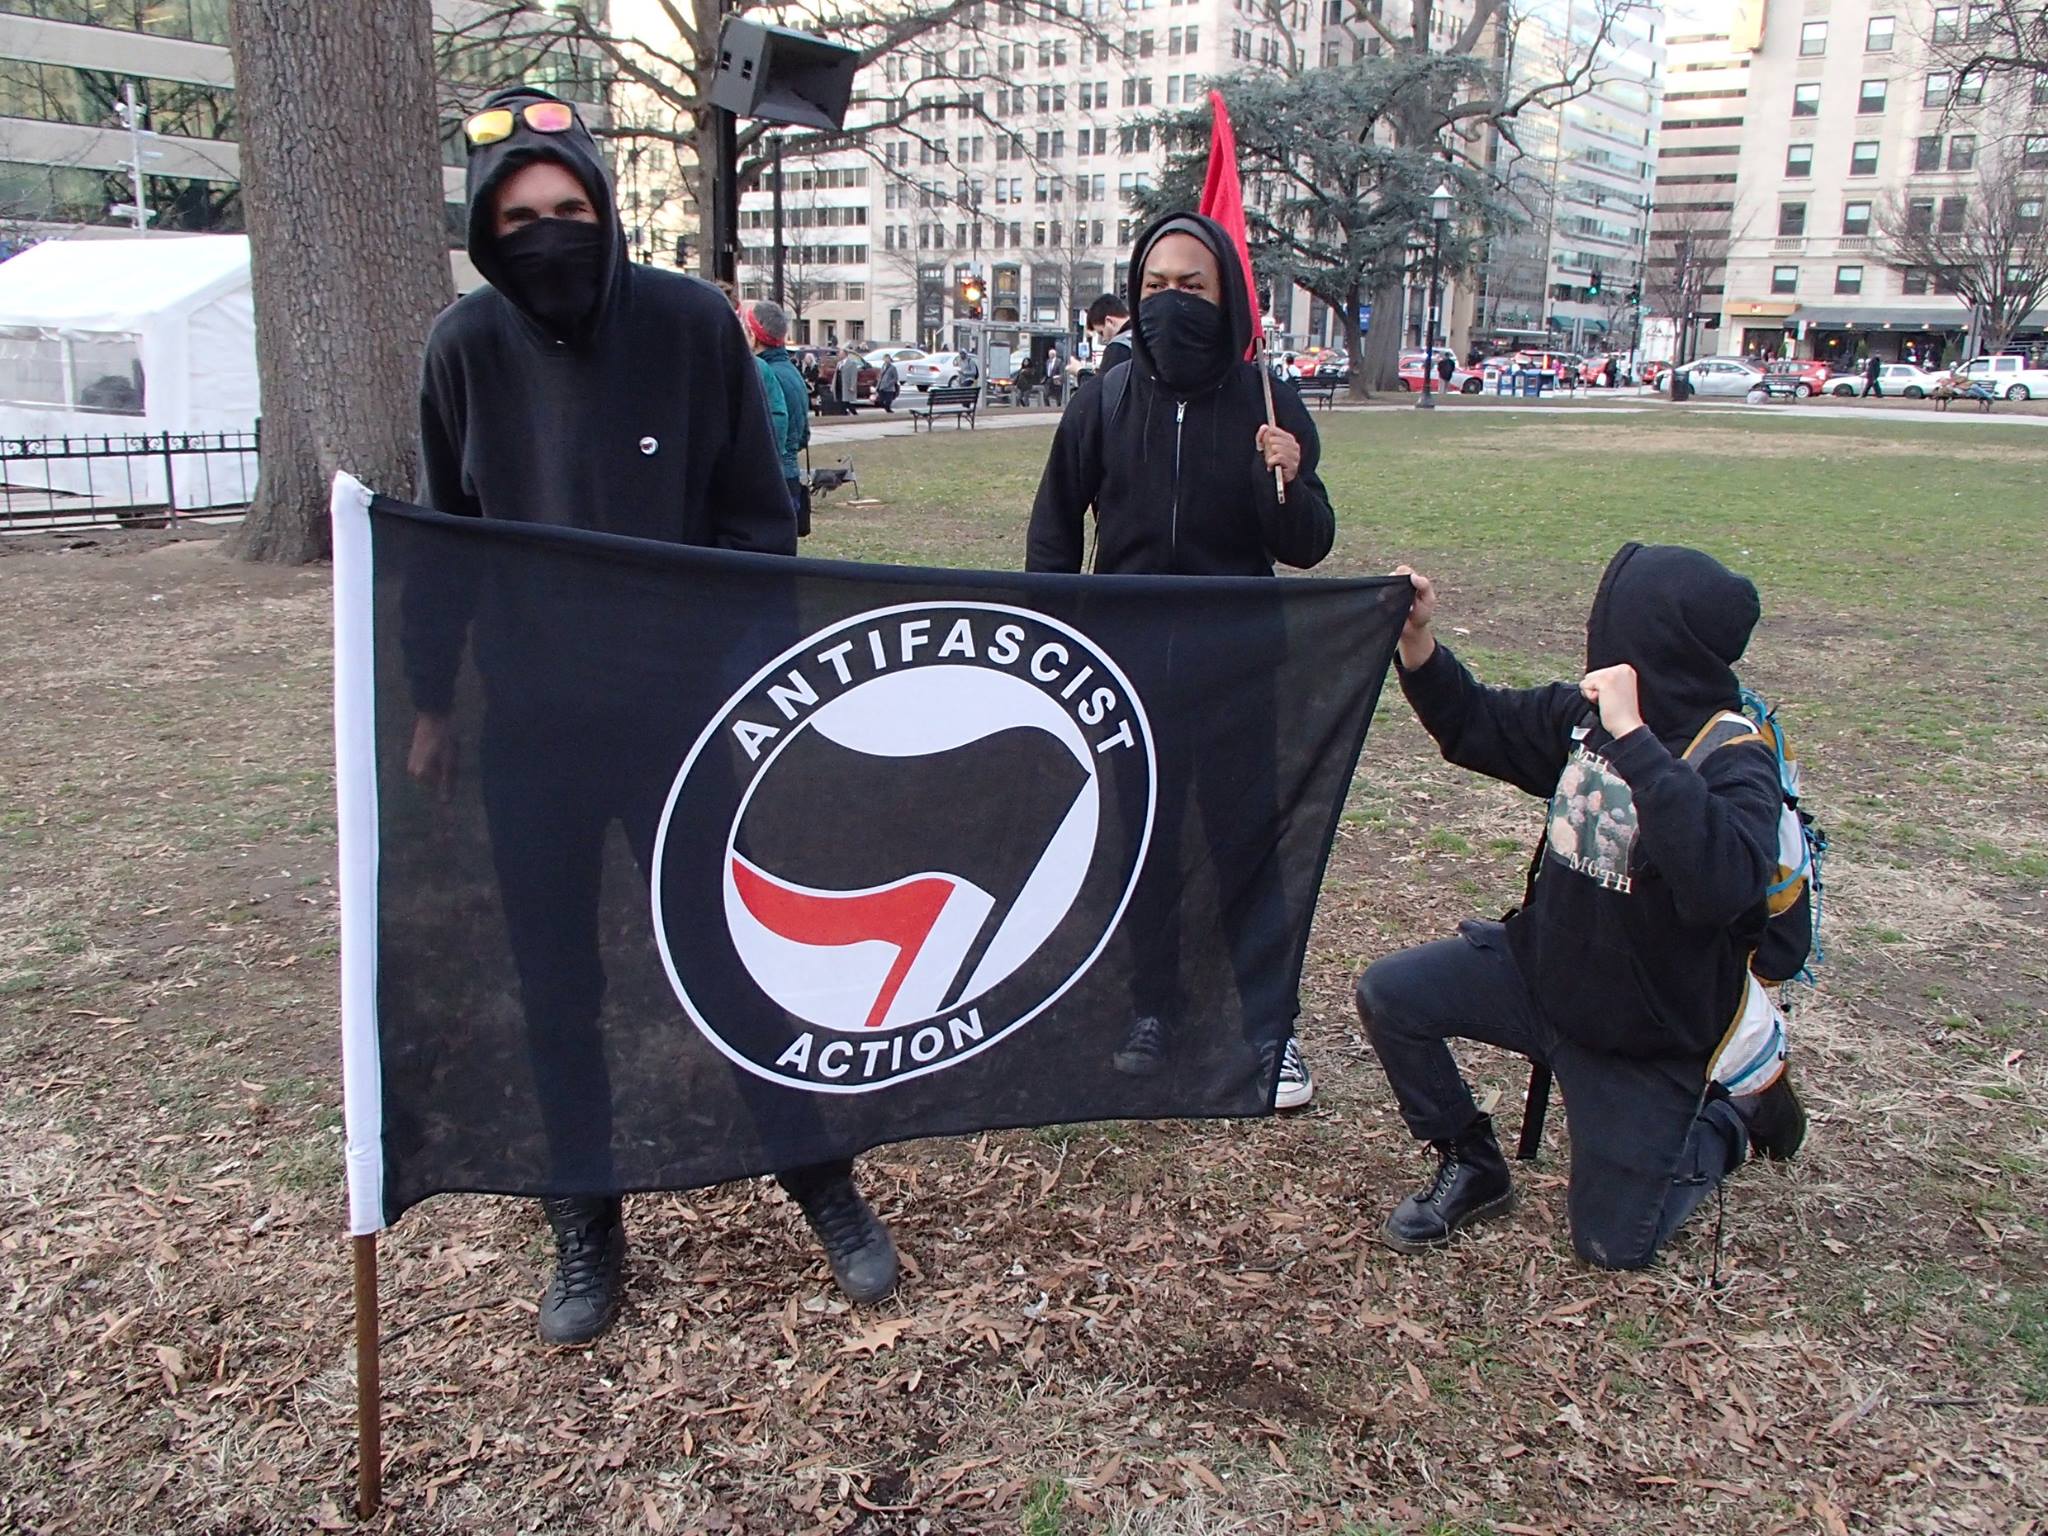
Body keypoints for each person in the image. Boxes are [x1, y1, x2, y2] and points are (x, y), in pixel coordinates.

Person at [404, 87, 899, 1347]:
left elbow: (756, 526)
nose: (546, 236)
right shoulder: (462, 348)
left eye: (567, 210)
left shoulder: (687, 326)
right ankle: (583, 1219)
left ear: (605, 207)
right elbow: (442, 537)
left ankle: (823, 1184)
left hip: (680, 729)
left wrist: (741, 685)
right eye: (518, 220)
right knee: (554, 984)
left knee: (734, 963)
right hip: (533, 735)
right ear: (484, 231)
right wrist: (428, 698)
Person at [1353, 545, 1807, 1269]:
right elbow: (1476, 724)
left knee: (1611, 1246)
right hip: (1544, 976)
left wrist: (1635, 740)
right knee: (1390, 995)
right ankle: (1472, 1161)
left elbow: (1723, 884)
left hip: (1646, 1032)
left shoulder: (1733, 756)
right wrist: (1418, 641)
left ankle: (1730, 1117)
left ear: (1656, 643)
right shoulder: (1583, 716)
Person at [1026, 211, 1335, 1112]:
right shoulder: (1103, 401)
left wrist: (1289, 478)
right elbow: (1053, 534)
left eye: (1191, 286)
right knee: (1144, 849)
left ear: (1226, 295)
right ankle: (1151, 1007)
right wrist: (1054, 642)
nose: (1171, 301)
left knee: (1246, 850)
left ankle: (1269, 1027)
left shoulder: (1268, 402)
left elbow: (1308, 544)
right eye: (1156, 286)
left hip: (1238, 672)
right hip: (1126, 677)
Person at [742, 298, 811, 537]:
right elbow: (803, 436)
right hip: (790, 477)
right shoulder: (793, 372)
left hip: (770, 479)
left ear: (753, 335)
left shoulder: (762, 373)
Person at [1086, 291, 1133, 374]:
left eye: (1101, 333)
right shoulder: (1144, 332)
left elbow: (1102, 381)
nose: (1104, 339)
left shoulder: (1118, 347)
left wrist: (1080, 372)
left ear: (1109, 321)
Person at [832, 348, 862, 414]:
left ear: (845, 354)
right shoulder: (839, 363)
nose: (839, 355)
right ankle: (844, 413)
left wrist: (852, 386)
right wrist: (833, 385)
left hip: (846, 385)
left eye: (840, 353)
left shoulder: (852, 363)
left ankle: (853, 413)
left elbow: (854, 376)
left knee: (845, 401)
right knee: (840, 400)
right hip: (838, 385)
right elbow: (836, 375)